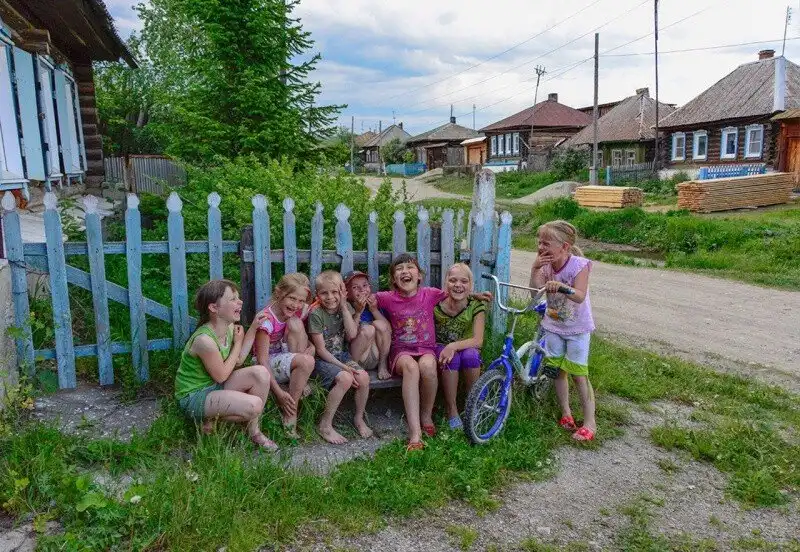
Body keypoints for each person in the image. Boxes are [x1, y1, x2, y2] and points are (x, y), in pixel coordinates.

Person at [373, 254, 490, 451]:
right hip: (401, 351)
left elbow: (457, 291)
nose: (405, 272)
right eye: (399, 269)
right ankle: (415, 433)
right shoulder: (387, 298)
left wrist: (475, 295)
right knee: (411, 368)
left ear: (419, 275)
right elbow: (365, 298)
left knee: (428, 366)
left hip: (426, 348)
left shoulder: (430, 294)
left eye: (410, 268)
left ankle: (426, 415)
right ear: (393, 279)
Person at [175, 279, 277, 451]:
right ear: (214, 308)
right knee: (255, 406)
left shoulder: (229, 328)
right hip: (195, 396)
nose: (240, 302)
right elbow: (222, 375)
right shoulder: (204, 341)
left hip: (214, 386)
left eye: (238, 298)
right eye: (233, 299)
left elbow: (238, 360)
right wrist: (238, 343)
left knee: (261, 373)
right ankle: (208, 419)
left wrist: (253, 328)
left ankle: (254, 432)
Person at [529, 220, 596, 441]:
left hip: (577, 328)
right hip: (553, 326)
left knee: (579, 374)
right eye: (540, 242)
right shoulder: (545, 266)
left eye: (546, 243)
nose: (541, 247)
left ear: (564, 246)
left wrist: (562, 287)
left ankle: (590, 423)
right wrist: (535, 268)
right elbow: (535, 293)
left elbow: (580, 295)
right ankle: (566, 413)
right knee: (557, 371)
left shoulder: (579, 265)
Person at [308, 271, 374, 444]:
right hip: (321, 360)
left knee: (363, 377)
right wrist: (344, 367)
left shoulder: (346, 308)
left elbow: (351, 335)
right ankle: (325, 425)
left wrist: (344, 307)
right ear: (317, 294)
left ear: (342, 292)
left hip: (341, 355)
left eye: (335, 292)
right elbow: (321, 350)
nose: (330, 297)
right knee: (345, 378)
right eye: (324, 293)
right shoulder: (316, 314)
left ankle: (359, 418)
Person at [254, 273, 316, 438]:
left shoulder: (293, 313)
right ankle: (290, 412)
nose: (296, 305)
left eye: (301, 301)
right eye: (292, 298)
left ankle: (300, 378)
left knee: (296, 325)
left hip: (283, 355)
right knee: (306, 361)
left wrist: (311, 347)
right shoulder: (267, 320)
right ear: (278, 293)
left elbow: (303, 337)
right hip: (264, 365)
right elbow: (262, 360)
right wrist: (279, 393)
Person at [434, 263, 486, 430]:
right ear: (446, 283)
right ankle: (451, 408)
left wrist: (454, 345)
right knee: (452, 358)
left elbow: (478, 340)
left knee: (471, 355)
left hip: (466, 346)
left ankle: (473, 402)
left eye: (464, 281)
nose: (458, 285)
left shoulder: (476, 306)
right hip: (440, 346)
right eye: (453, 280)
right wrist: (449, 348)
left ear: (470, 285)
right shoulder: (436, 304)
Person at [344, 270, 391, 380]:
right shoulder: (346, 307)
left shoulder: (375, 305)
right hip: (358, 356)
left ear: (370, 287)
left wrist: (374, 310)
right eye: (355, 287)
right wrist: (358, 312)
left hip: (376, 355)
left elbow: (389, 331)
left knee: (380, 324)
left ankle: (383, 365)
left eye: (365, 285)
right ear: (347, 293)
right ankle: (354, 368)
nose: (362, 289)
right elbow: (348, 337)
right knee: (368, 329)